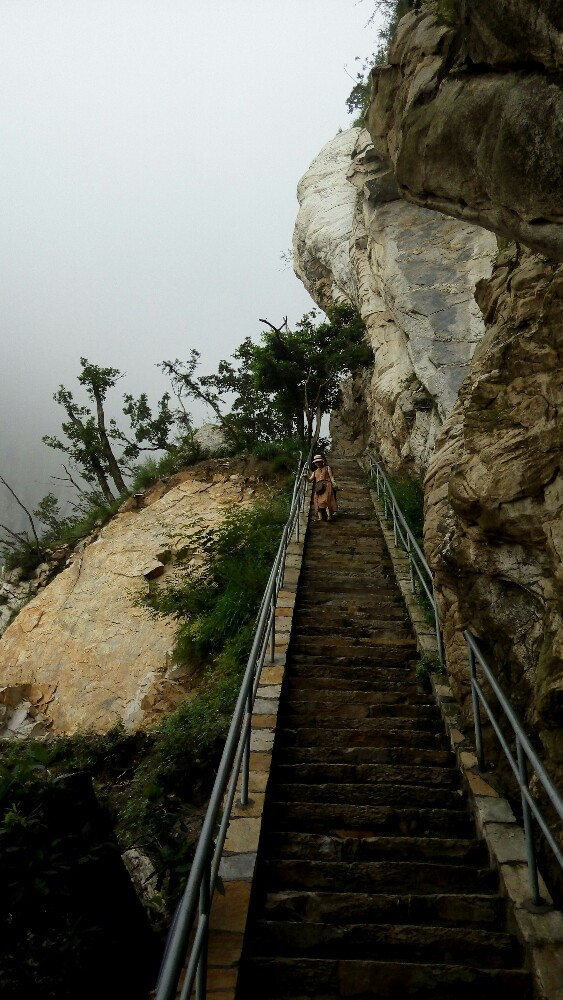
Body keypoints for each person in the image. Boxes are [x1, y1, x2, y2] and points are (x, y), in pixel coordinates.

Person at [308, 454, 337, 521]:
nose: (317, 463)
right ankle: (320, 517)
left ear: (322, 461)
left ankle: (329, 516)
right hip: (319, 486)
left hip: (327, 485)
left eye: (318, 462)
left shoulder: (327, 468)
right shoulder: (315, 472)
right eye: (316, 462)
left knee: (326, 499)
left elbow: (331, 477)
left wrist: (334, 483)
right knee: (317, 501)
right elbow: (310, 480)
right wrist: (306, 476)